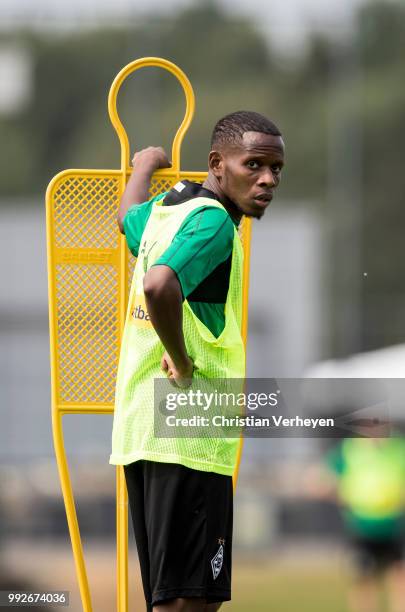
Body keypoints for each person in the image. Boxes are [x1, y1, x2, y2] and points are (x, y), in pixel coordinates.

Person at [109, 110, 285, 612]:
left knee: (175, 598)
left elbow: (127, 220)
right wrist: (183, 363)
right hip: (188, 432)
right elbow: (158, 284)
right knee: (189, 602)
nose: (268, 179)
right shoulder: (212, 224)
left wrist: (145, 164)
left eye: (276, 169)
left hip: (144, 428)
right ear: (217, 164)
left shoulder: (170, 208)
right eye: (254, 165)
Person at [325, 437, 405, 612]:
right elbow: (327, 480)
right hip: (361, 525)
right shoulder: (349, 450)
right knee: (363, 578)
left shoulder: (398, 449)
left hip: (394, 524)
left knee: (399, 577)